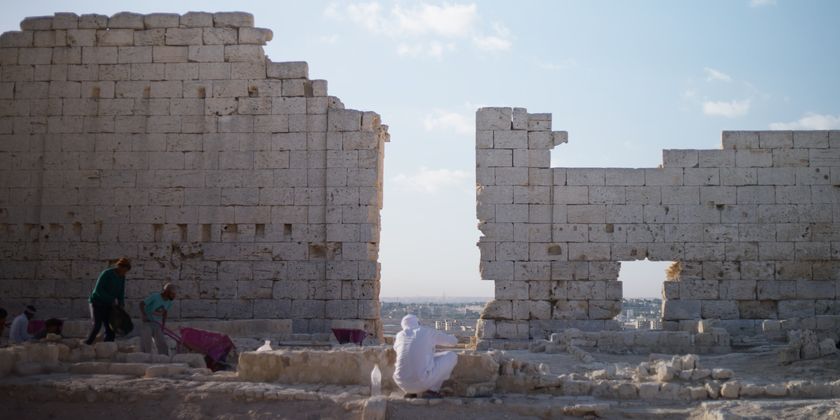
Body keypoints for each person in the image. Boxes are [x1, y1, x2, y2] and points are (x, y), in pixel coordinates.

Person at [392, 314, 459, 399]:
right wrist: (454, 337)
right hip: (422, 382)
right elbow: (452, 342)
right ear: (418, 323)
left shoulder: (399, 336)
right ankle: (432, 390)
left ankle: (410, 392)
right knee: (452, 356)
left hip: (401, 383)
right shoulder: (427, 331)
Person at [85, 258, 130, 345]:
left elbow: (121, 292)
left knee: (110, 327)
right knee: (97, 326)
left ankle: (107, 347)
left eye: (126, 271)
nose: (124, 273)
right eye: (123, 270)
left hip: (108, 305)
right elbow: (98, 291)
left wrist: (121, 304)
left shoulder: (122, 277)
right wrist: (111, 299)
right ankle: (87, 344)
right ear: (119, 267)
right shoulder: (107, 273)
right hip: (96, 303)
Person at [139, 283, 176, 355]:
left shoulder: (169, 302)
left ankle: (164, 359)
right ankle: (145, 358)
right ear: (167, 292)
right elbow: (141, 303)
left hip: (157, 323)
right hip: (147, 322)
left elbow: (165, 312)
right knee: (147, 343)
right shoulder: (155, 296)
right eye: (172, 294)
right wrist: (144, 315)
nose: (174, 296)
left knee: (162, 343)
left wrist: (163, 324)